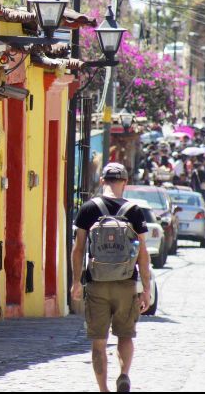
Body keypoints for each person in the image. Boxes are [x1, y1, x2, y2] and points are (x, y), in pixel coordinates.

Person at [71, 163, 151, 393]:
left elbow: (78, 249)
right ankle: (124, 374)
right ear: (124, 182)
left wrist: (76, 281)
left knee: (99, 341)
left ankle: (103, 390)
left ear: (102, 181)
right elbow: (142, 253)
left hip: (97, 284)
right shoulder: (134, 211)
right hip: (126, 284)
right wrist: (145, 289)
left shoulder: (88, 209)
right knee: (125, 335)